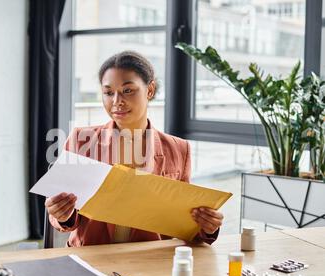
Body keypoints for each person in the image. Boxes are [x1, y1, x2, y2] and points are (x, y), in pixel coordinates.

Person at [45, 51, 223, 247]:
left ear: (150, 90)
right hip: (91, 255)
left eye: (128, 90)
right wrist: (62, 214)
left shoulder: (179, 149)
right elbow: (63, 219)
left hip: (148, 259)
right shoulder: (80, 140)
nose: (116, 101)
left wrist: (207, 227)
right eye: (108, 92)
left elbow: (186, 226)